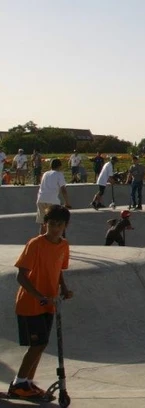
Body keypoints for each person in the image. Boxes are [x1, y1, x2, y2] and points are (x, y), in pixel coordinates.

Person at [7, 204, 73, 401]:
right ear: (45, 224)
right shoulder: (35, 244)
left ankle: (27, 383)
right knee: (37, 345)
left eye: (59, 225)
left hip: (50, 303)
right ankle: (18, 383)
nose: (54, 228)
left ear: (65, 226)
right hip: (30, 303)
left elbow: (58, 269)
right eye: (51, 224)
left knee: (41, 345)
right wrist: (38, 296)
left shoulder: (64, 245)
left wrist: (64, 288)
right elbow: (21, 276)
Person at [35, 159, 71, 235]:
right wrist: (67, 203)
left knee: (43, 223)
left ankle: (41, 242)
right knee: (56, 223)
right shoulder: (59, 174)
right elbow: (63, 189)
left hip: (40, 199)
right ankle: (54, 242)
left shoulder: (45, 174)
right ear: (60, 166)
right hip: (52, 201)